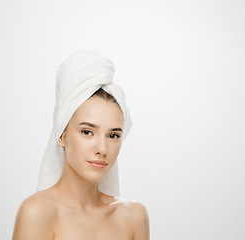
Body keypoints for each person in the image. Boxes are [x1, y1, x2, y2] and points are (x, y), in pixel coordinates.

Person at [12, 49, 149, 240]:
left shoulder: (134, 216)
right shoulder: (37, 213)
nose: (102, 149)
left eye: (113, 135)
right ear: (62, 135)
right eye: (87, 132)